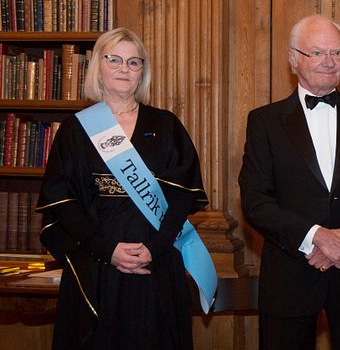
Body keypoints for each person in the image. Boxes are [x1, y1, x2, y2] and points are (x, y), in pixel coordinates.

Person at [37, 28, 213, 350]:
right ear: (98, 67)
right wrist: (108, 250)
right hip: (96, 266)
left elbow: (181, 197)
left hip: (156, 265)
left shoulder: (165, 125)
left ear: (142, 72)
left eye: (134, 62)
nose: (124, 69)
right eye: (114, 59)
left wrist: (155, 248)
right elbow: (62, 202)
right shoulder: (76, 130)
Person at [239, 14, 340, 349]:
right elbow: (255, 200)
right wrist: (315, 237)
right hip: (289, 278)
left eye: (337, 53)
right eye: (317, 53)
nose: (329, 62)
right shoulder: (264, 122)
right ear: (293, 59)